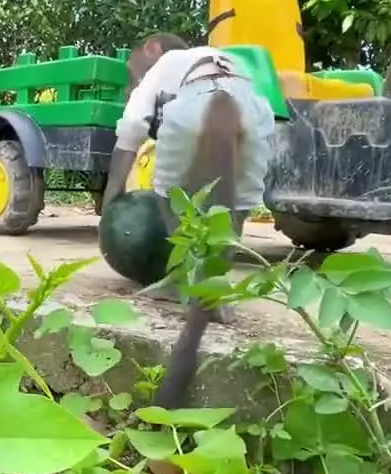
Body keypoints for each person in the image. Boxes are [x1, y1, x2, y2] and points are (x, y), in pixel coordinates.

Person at [102, 32, 276, 322]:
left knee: (171, 194)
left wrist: (110, 203)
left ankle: (182, 282)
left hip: (194, 103)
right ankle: (215, 287)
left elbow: (132, 126)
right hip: (254, 113)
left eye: (133, 70)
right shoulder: (230, 60)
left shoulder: (168, 60)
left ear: (152, 49)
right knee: (236, 205)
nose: (133, 79)